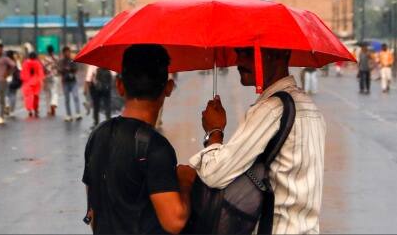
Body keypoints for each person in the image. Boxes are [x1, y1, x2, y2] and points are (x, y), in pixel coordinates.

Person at [191, 46, 326, 234]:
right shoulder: (310, 108)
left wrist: (214, 132)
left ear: (281, 54)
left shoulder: (271, 109)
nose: (239, 62)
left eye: (248, 53)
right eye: (238, 53)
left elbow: (214, 174)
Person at [82, 44, 193, 234]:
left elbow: (93, 210)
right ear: (168, 87)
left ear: (119, 86)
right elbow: (175, 221)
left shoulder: (98, 135)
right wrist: (185, 183)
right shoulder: (156, 148)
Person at [0, 40, 16, 124]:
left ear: (2, 49)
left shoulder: (5, 58)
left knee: (1, 99)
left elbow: (13, 65)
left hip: (2, 81)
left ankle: (1, 116)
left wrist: (7, 74)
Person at [58, 46, 83, 121]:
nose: (67, 53)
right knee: (67, 99)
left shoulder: (72, 60)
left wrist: (70, 69)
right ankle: (69, 115)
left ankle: (78, 113)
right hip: (65, 82)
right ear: (63, 53)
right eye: (66, 52)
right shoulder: (61, 62)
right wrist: (64, 69)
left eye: (68, 51)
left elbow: (76, 69)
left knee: (76, 97)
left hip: (73, 81)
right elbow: (59, 70)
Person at [21, 51, 45, 118]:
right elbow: (40, 72)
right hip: (36, 82)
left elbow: (22, 73)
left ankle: (30, 110)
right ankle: (36, 109)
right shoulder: (38, 63)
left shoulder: (25, 63)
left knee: (28, 97)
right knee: (36, 97)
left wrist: (24, 80)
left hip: (27, 83)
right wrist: (41, 79)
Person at [42, 45, 60, 117]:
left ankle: (48, 110)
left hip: (46, 77)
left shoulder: (45, 59)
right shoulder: (56, 58)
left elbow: (43, 68)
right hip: (55, 76)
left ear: (47, 51)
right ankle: (54, 103)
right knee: (55, 91)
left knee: (47, 94)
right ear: (53, 50)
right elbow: (59, 67)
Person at [6, 50, 22, 117]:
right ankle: (12, 111)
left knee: (6, 94)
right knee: (13, 95)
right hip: (14, 80)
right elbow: (20, 70)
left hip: (6, 79)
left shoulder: (5, 61)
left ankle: (7, 105)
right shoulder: (16, 62)